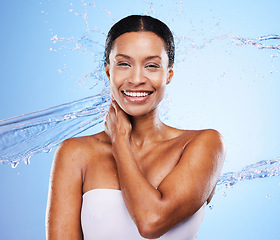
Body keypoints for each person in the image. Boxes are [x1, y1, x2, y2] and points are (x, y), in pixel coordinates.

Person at [46, 15, 225, 240]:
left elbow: (151, 222)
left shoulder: (202, 144)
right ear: (109, 71)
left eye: (151, 66)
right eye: (123, 64)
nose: (137, 78)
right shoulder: (75, 153)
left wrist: (120, 141)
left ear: (168, 74)